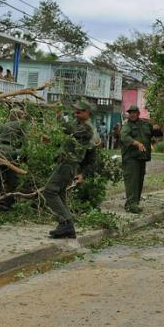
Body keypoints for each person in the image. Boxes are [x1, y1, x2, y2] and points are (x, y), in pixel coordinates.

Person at [44, 101, 96, 239]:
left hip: (70, 163)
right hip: (66, 162)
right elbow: (66, 131)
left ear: (87, 113)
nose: (76, 114)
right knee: (60, 194)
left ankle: (65, 222)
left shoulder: (87, 128)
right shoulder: (78, 123)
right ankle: (68, 228)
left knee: (49, 191)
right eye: (75, 112)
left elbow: (69, 130)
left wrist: (59, 115)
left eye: (79, 112)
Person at [120, 105, 163, 213]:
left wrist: (157, 129)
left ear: (138, 113)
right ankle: (131, 204)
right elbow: (124, 137)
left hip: (142, 158)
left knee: (139, 181)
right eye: (130, 113)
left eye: (134, 112)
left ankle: (134, 203)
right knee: (131, 181)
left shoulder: (145, 124)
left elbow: (157, 134)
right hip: (131, 158)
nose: (132, 114)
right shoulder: (127, 126)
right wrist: (136, 143)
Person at [0, 108, 27, 208]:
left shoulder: (3, 126)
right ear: (19, 116)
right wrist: (24, 156)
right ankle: (9, 203)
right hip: (11, 152)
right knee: (12, 180)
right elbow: (26, 142)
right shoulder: (21, 125)